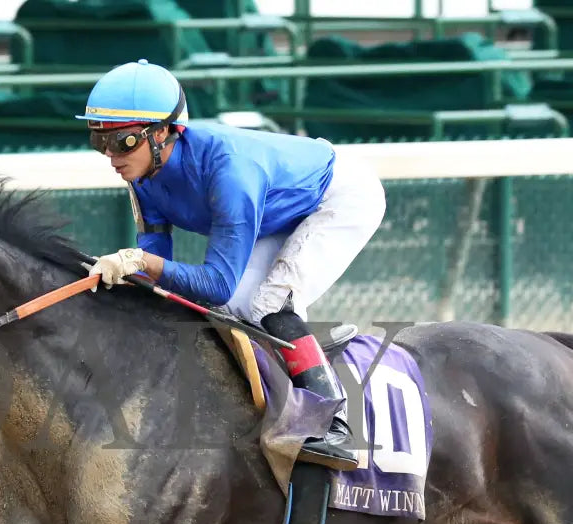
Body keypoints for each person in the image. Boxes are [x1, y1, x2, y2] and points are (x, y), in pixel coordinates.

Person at [79, 59, 386, 471]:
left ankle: (333, 420)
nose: (112, 157)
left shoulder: (230, 173)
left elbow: (215, 284)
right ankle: (295, 355)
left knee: (267, 305)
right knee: (231, 311)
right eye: (100, 143)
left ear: (165, 132)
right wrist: (122, 274)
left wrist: (143, 263)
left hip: (338, 196)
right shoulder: (142, 175)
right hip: (276, 210)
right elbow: (161, 280)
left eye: (124, 142)